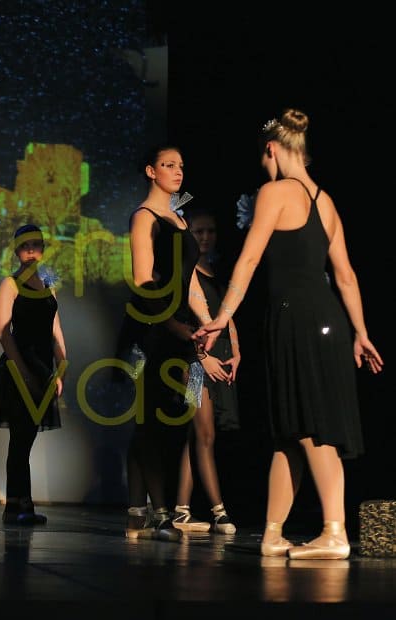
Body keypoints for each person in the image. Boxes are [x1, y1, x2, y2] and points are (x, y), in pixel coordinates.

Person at [193, 109, 383, 559]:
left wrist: (222, 315)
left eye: (264, 158)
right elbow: (346, 276)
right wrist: (360, 332)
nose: (264, 166)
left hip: (299, 320)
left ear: (272, 150)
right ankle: (274, 532)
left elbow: (249, 259)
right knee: (290, 431)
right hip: (326, 319)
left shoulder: (275, 192)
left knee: (313, 428)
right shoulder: (326, 201)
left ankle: (335, 531)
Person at [115, 144, 208, 542]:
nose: (177, 171)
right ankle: (157, 512)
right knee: (150, 419)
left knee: (179, 415)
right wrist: (172, 324)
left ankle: (143, 511)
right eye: (168, 165)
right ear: (151, 171)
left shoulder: (179, 218)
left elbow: (190, 281)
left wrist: (208, 322)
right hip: (152, 327)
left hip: (180, 328)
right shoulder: (144, 217)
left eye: (181, 165)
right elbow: (143, 279)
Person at [0, 224, 66, 525]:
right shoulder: (10, 284)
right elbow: (3, 333)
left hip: (43, 368)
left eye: (37, 244)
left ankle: (20, 504)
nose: (32, 250)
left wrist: (61, 368)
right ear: (16, 250)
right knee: (20, 438)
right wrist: (22, 371)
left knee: (27, 436)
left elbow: (55, 330)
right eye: (25, 245)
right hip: (19, 367)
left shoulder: (48, 286)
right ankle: (17, 504)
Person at [172, 208, 239, 534]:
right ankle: (219, 511)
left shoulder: (213, 270)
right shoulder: (186, 272)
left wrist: (236, 351)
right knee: (205, 435)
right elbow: (185, 323)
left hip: (218, 358)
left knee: (197, 435)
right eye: (199, 231)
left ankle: (181, 509)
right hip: (194, 362)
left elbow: (226, 315)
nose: (205, 237)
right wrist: (202, 357)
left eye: (210, 231)